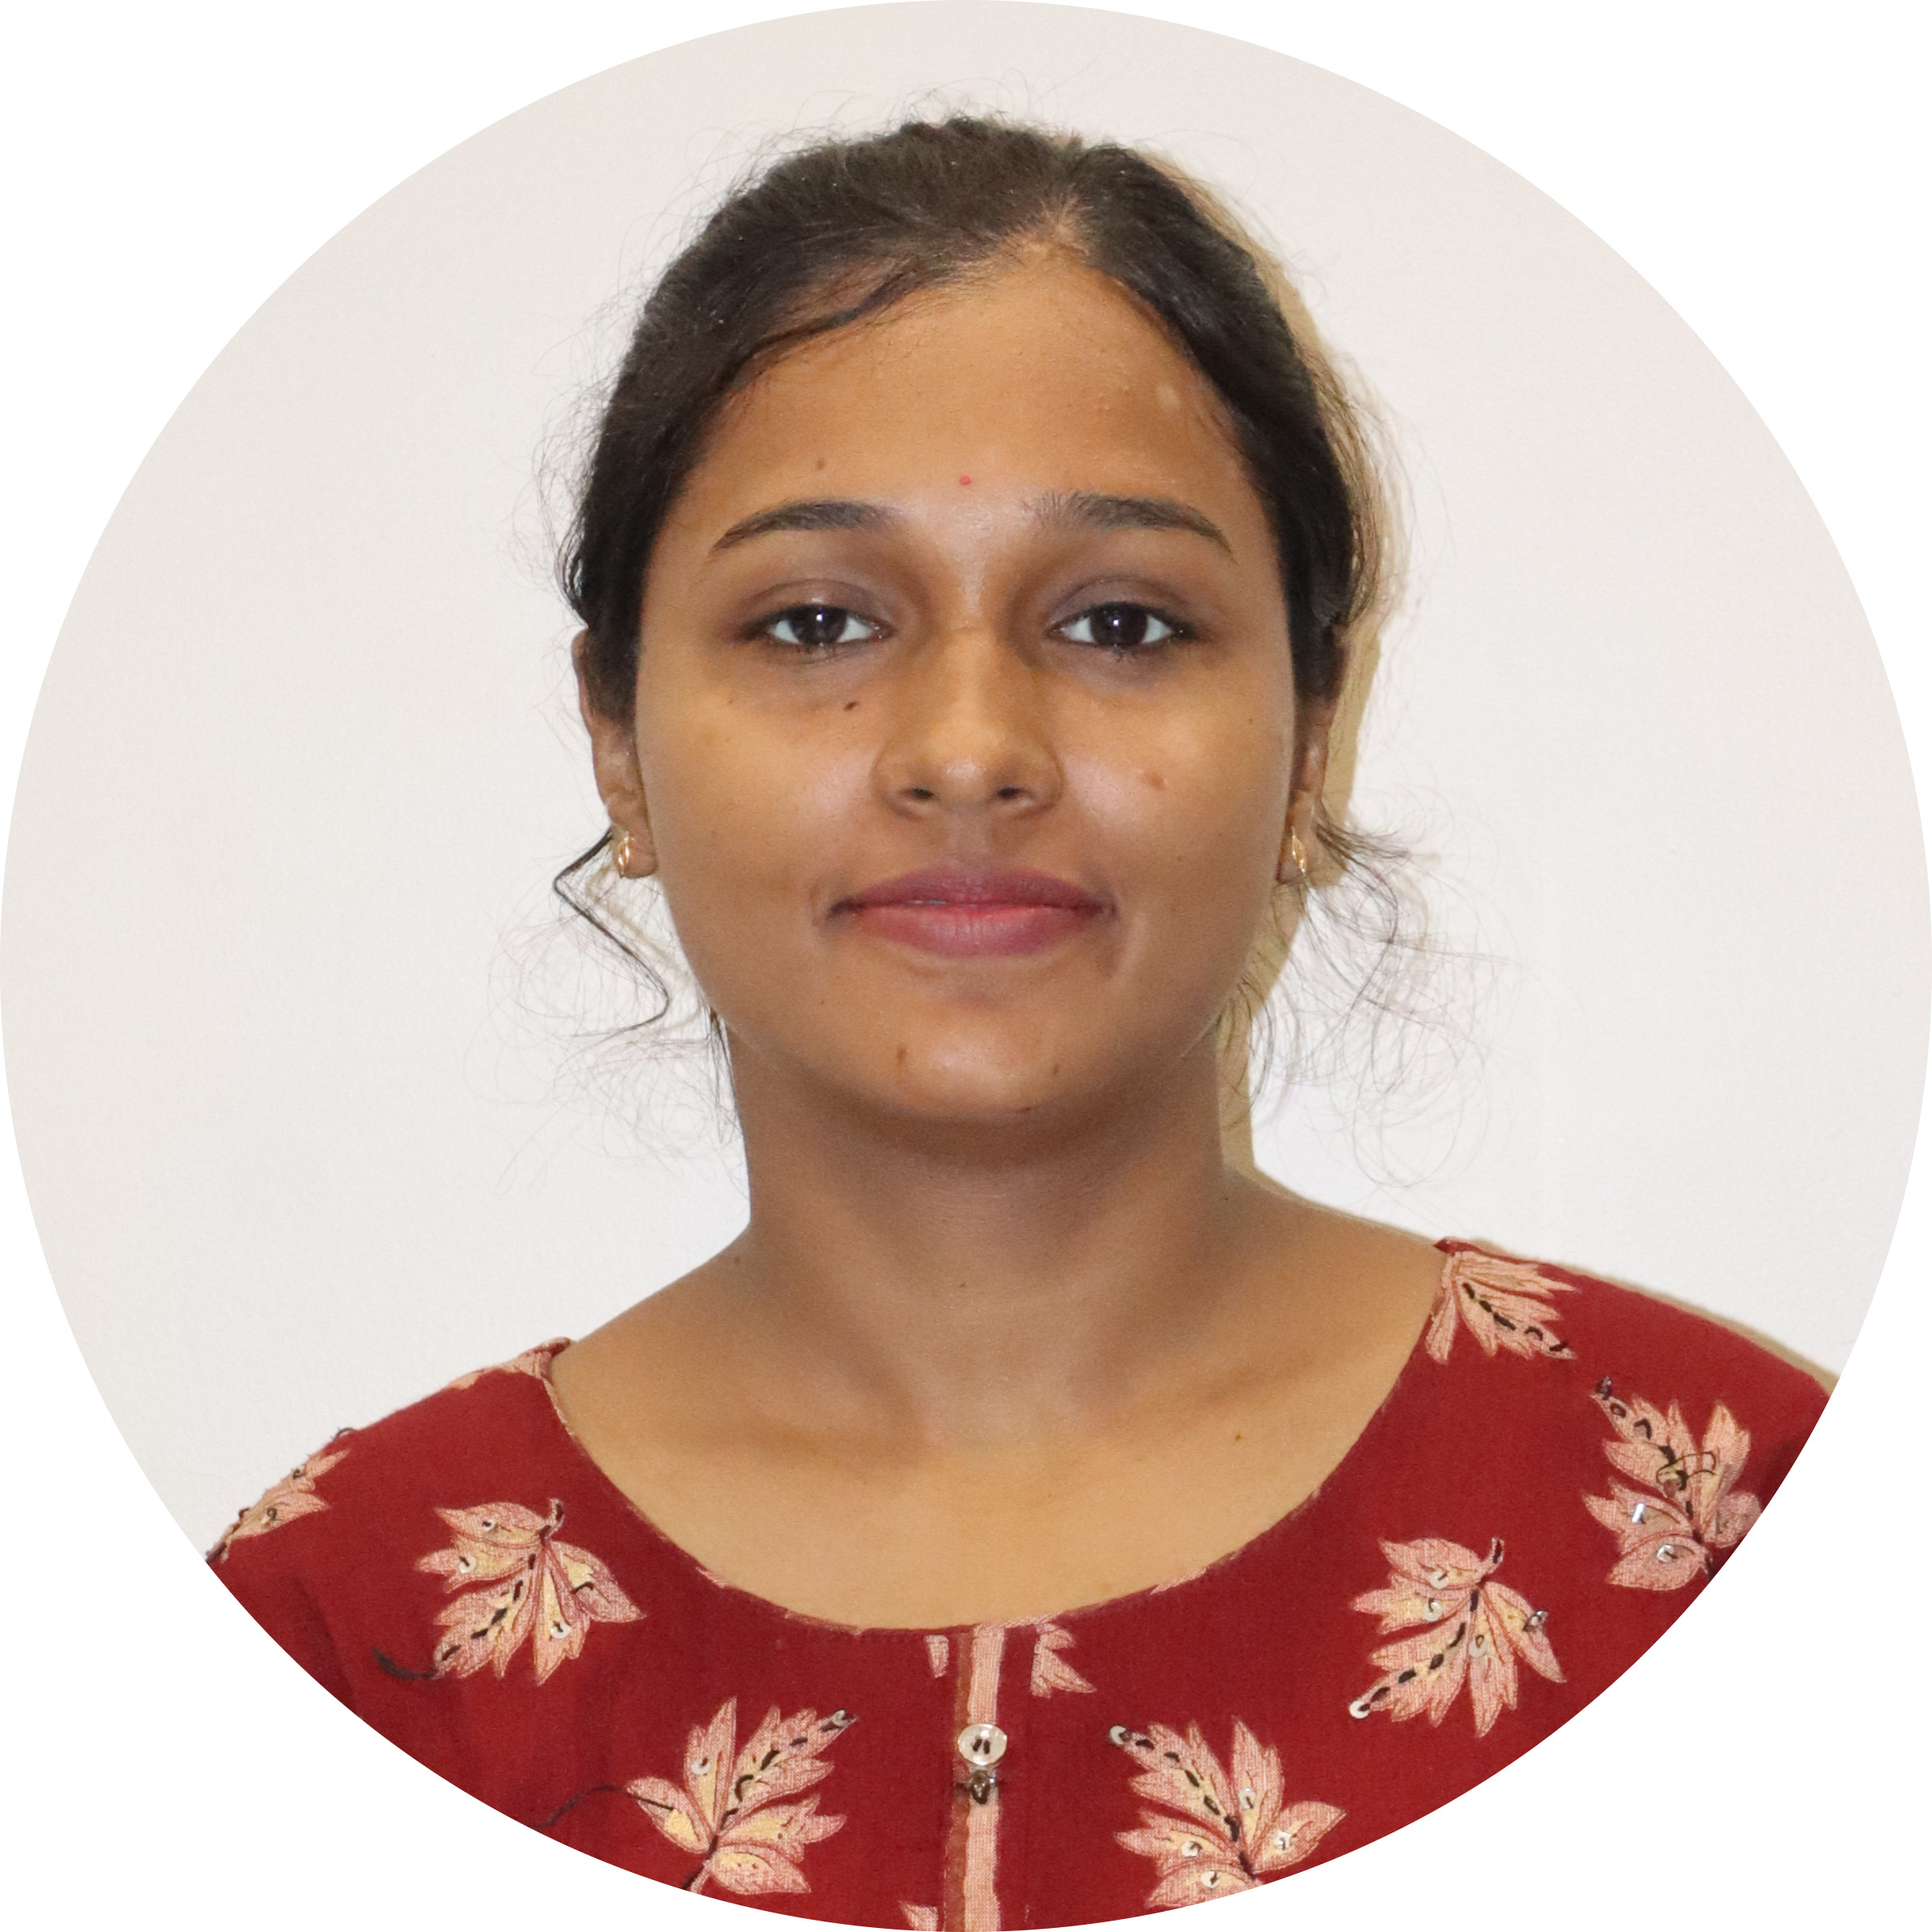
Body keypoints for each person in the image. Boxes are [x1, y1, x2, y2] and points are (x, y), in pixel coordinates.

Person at [211, 117, 1827, 1923]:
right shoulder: (337, 1644)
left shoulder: (1710, 1531)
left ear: (1306, 736)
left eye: (1120, 623)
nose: (969, 750)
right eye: (813, 623)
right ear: (619, 743)